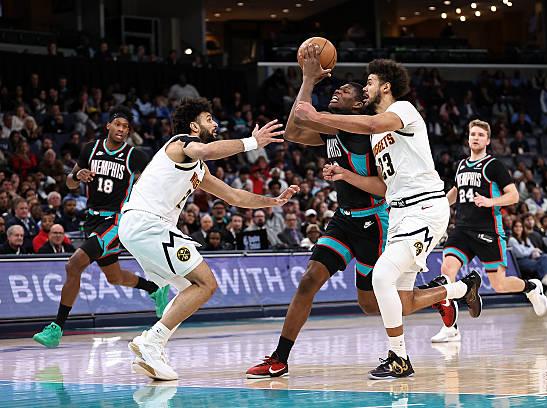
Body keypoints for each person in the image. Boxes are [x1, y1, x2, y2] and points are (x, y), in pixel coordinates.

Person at [294, 58, 480, 379]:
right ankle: (462, 289)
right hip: (399, 214)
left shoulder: (403, 110)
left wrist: (317, 116)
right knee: (401, 302)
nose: (365, 87)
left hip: (424, 208)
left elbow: (369, 124)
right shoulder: (375, 136)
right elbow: (379, 178)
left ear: (386, 86)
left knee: (381, 278)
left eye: (369, 82)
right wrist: (344, 173)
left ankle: (399, 358)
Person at [119, 98, 295, 380]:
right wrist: (252, 142)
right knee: (206, 283)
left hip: (139, 226)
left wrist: (272, 201)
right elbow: (206, 150)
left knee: (189, 289)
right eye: (209, 119)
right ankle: (151, 342)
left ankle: (152, 342)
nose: (215, 124)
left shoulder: (198, 168)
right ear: (193, 125)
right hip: (147, 223)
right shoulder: (182, 143)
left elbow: (233, 196)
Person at [33, 106, 169, 348]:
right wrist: (77, 176)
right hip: (92, 220)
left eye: (126, 127)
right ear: (108, 125)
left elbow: (155, 182)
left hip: (116, 221)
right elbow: (70, 182)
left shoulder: (134, 156)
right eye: (118, 124)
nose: (121, 129)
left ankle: (56, 328)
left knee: (73, 264)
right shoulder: (91, 149)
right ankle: (154, 288)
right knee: (114, 277)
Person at [426, 120, 547, 343]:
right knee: (447, 270)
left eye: (481, 135)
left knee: (500, 285)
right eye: (473, 134)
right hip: (462, 229)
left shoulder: (494, 166)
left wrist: (491, 201)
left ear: (488, 140)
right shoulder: (461, 165)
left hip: (488, 231)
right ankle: (450, 328)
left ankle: (531, 287)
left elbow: (513, 196)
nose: (476, 137)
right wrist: (439, 205)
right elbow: (456, 191)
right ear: (468, 138)